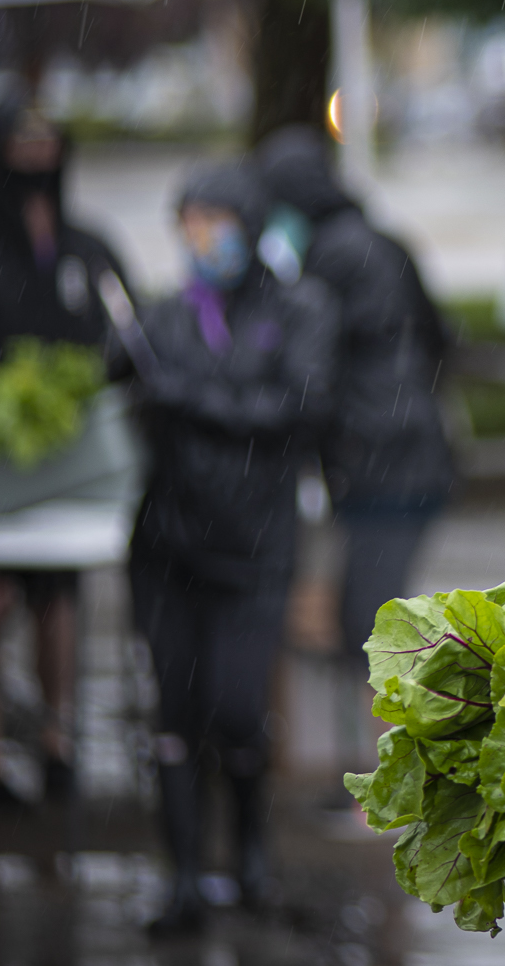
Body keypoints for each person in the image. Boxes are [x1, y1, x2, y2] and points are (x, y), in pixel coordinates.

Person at [125, 160, 337, 933]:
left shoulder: (299, 307)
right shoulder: (165, 316)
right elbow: (125, 392)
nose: (200, 238)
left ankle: (250, 859)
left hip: (253, 548)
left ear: (250, 225)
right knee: (175, 717)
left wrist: (197, 401)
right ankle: (184, 879)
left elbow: (300, 406)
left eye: (215, 221)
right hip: (168, 548)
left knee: (239, 710)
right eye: (188, 223)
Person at [0, 93, 129, 807]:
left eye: (45, 141)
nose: (35, 155)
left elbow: (124, 335)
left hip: (69, 467)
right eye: (19, 142)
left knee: (58, 605)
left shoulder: (88, 247)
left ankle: (58, 743)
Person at [255, 127, 455, 726]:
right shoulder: (386, 242)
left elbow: (310, 370)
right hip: (414, 452)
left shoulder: (324, 261)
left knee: (374, 626)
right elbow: (441, 338)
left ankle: (385, 789)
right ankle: (375, 781)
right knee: (372, 619)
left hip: (378, 462)